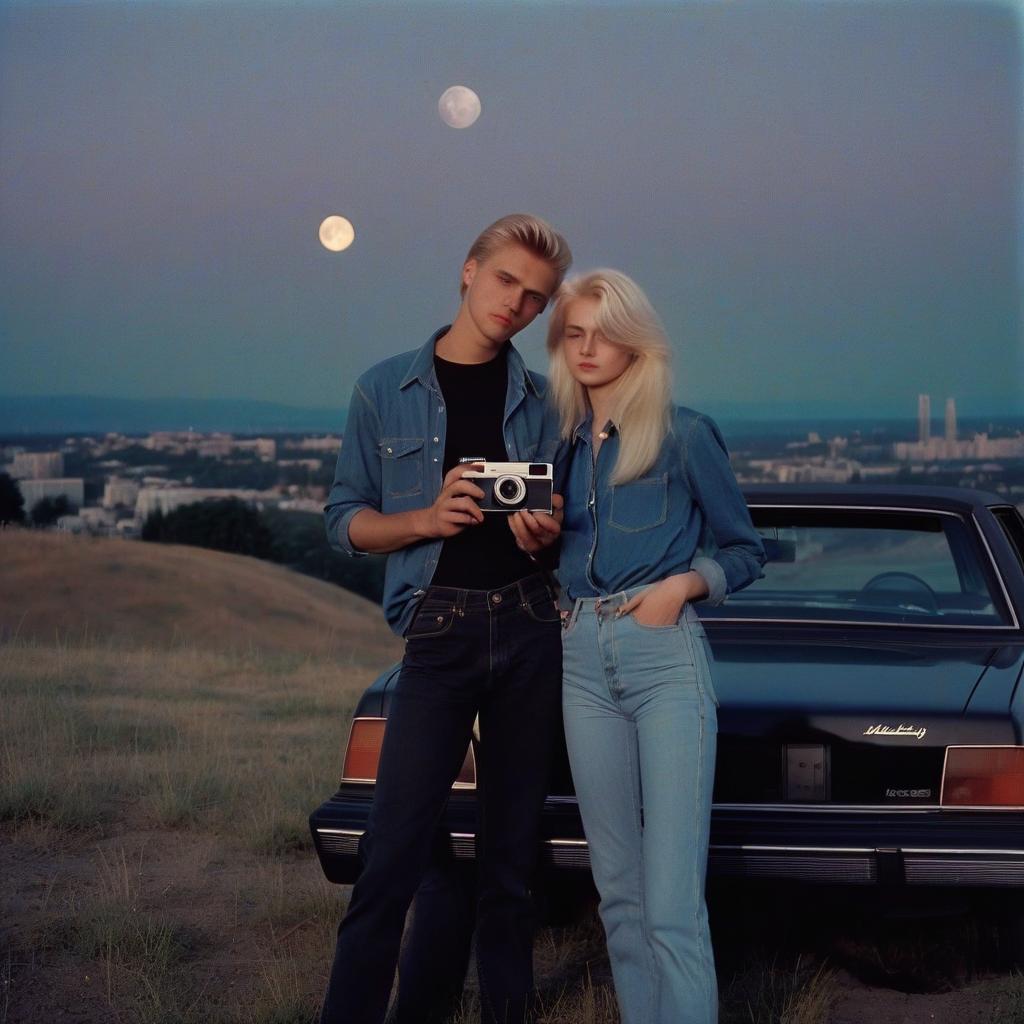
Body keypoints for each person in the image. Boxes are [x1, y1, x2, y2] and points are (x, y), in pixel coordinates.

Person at [321, 213, 573, 1024]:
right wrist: (426, 520)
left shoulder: (545, 402)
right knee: (389, 858)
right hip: (437, 629)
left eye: (536, 298)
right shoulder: (382, 388)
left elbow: (569, 533)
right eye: (505, 281)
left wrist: (546, 534)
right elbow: (343, 520)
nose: (516, 305)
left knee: (509, 868)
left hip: (532, 628)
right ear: (468, 271)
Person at [544, 269, 765, 1024]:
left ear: (636, 341)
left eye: (604, 332)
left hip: (663, 661)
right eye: (573, 333)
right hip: (580, 664)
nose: (588, 347)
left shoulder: (683, 433)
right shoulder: (559, 447)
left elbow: (744, 549)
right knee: (619, 893)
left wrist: (682, 587)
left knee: (671, 902)